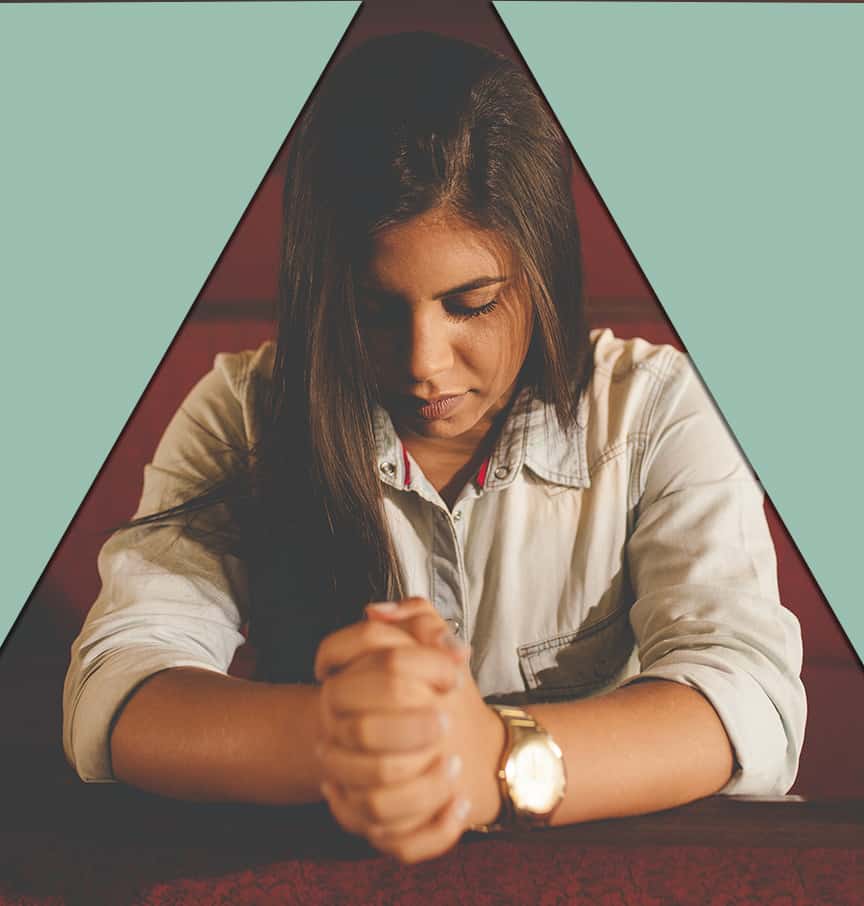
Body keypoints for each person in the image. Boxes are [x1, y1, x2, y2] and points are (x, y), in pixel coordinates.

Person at [62, 32, 806, 864]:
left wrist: (487, 760)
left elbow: (748, 698)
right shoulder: (245, 412)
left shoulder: (654, 409)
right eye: (375, 311)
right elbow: (118, 687)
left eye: (471, 304)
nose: (423, 362)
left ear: (544, 274)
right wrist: (343, 739)